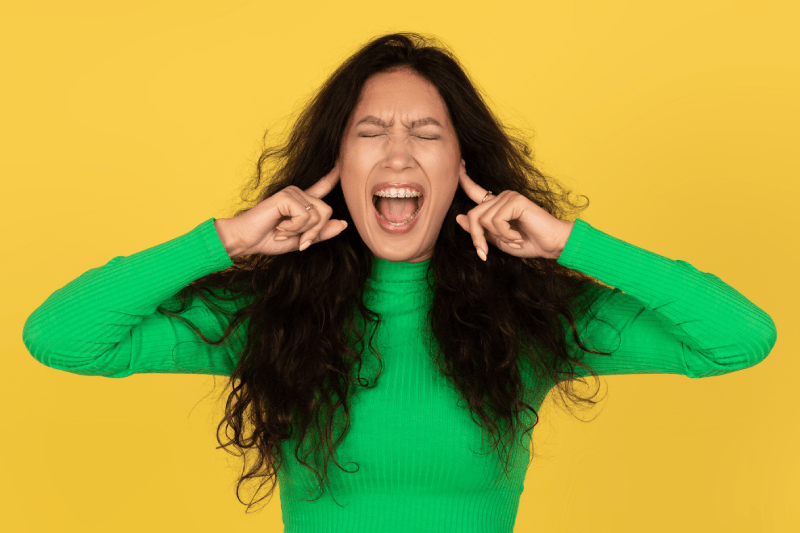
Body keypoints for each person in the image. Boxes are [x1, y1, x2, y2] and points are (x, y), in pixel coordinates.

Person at [22, 32, 777, 532]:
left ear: (462, 166)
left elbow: (739, 338)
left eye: (426, 133)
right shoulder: (270, 316)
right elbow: (61, 336)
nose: (397, 155)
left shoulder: (528, 317)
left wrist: (567, 243)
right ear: (336, 164)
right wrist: (229, 240)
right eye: (369, 132)